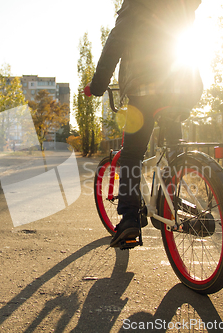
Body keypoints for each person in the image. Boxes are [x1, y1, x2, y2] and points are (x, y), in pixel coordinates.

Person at [85, 0, 204, 247]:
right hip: (184, 86)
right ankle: (172, 201)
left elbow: (115, 44)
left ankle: (129, 218)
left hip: (146, 88)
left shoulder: (136, 4)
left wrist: (97, 86)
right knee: (173, 150)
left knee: (131, 154)